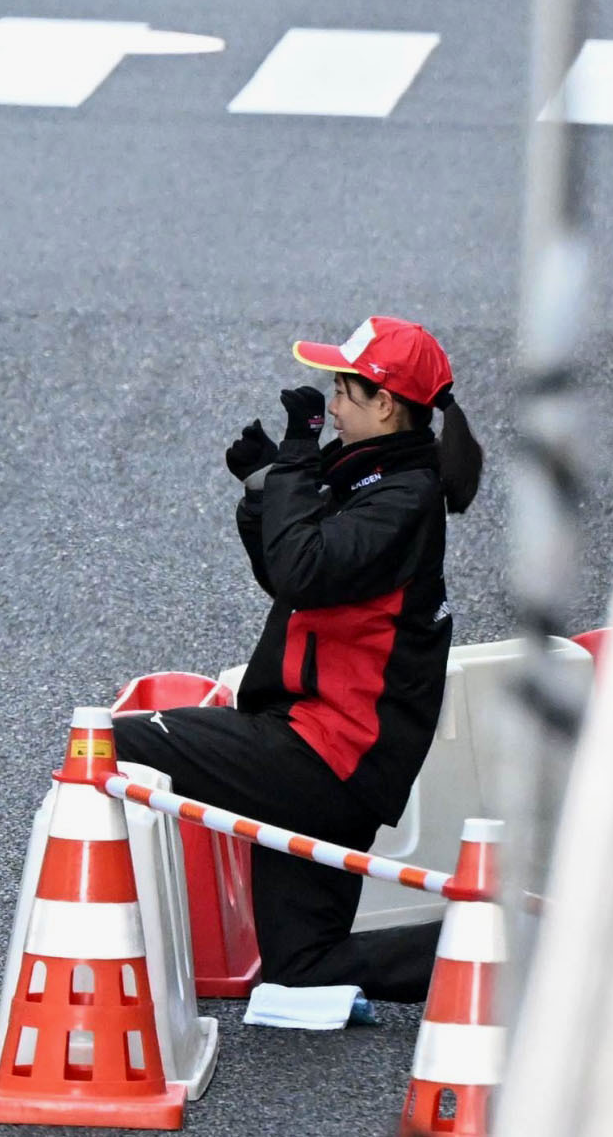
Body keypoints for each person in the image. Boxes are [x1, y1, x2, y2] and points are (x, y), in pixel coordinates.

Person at [110, 316, 484, 1030]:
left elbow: (303, 566)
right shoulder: (381, 481)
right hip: (328, 765)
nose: (332, 405)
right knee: (301, 966)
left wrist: (292, 461)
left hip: (321, 755)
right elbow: (289, 571)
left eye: (343, 389)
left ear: (385, 404)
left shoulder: (403, 498)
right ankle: (484, 954)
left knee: (114, 741)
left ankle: (115, 955)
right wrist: (265, 487)